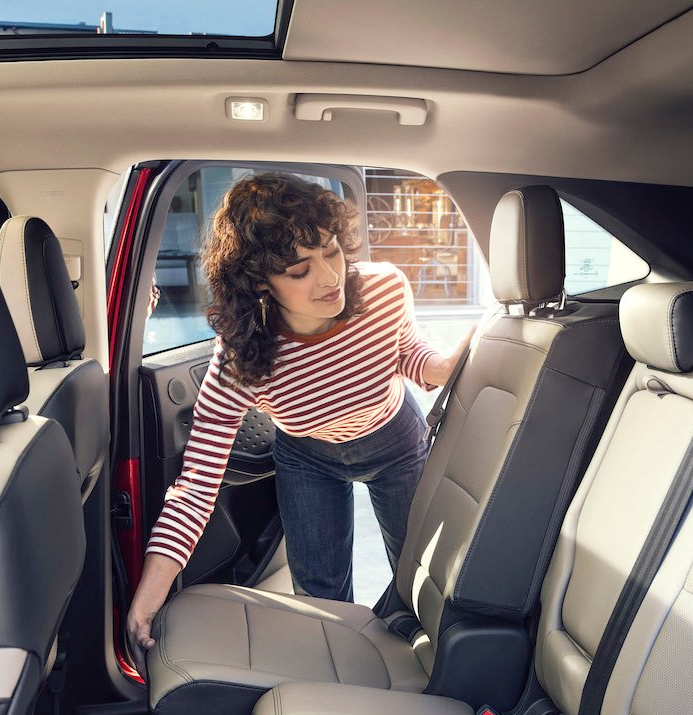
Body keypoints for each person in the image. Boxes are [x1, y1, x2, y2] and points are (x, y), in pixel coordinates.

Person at [127, 172, 470, 654]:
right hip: (307, 457)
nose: (330, 278)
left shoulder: (384, 289)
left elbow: (406, 353)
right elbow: (196, 485)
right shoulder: (243, 356)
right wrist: (148, 598)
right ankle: (344, 681)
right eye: (298, 269)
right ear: (260, 284)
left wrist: (444, 365)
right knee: (320, 604)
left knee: (418, 580)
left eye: (331, 250)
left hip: (395, 441)